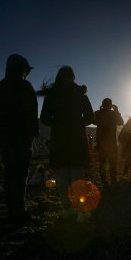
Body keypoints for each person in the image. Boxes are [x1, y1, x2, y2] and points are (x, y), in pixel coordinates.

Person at [40, 66, 93, 220]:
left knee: (62, 177)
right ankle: (81, 212)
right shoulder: (80, 93)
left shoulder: (51, 95)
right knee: (77, 176)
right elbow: (89, 117)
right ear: (73, 77)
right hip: (77, 139)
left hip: (59, 139)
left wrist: (57, 124)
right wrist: (77, 123)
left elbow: (44, 118)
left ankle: (66, 210)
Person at [0, 54, 38, 222]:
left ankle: (11, 207)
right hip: (22, 138)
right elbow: (32, 114)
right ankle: (19, 210)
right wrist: (33, 134)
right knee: (20, 174)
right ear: (22, 69)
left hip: (4, 139)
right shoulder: (25, 86)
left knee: (9, 173)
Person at [93, 98, 124, 186]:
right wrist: (117, 111)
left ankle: (104, 180)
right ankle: (113, 179)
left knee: (103, 162)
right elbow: (121, 122)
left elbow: (93, 121)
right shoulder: (114, 114)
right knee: (112, 162)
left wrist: (99, 111)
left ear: (102, 104)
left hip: (101, 143)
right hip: (111, 143)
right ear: (111, 105)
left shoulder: (98, 113)